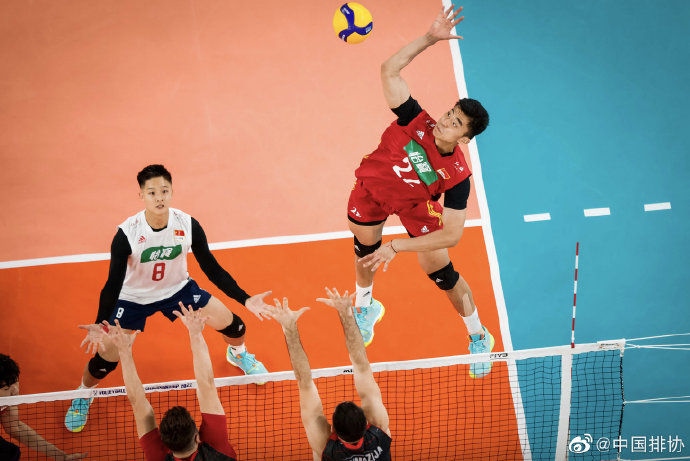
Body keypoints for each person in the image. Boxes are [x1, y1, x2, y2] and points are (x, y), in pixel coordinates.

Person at [65, 164, 272, 433]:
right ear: (141, 195)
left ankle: (238, 354)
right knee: (105, 360)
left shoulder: (187, 224)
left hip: (178, 290)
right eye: (152, 192)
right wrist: (100, 322)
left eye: (164, 191)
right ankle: (84, 393)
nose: (159, 198)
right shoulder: (127, 233)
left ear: (172, 191)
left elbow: (211, 268)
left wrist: (245, 299)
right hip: (133, 298)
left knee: (236, 326)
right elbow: (112, 284)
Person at [346, 5, 494, 378]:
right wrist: (429, 38)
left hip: (416, 207)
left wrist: (397, 246)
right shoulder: (414, 119)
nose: (445, 121)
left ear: (465, 138)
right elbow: (388, 70)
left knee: (442, 273)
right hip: (372, 190)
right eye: (449, 113)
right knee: (365, 252)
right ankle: (366, 306)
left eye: (456, 123)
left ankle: (478, 336)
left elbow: (453, 234)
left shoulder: (458, 176)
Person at [98, 305, 237, 460]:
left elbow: (138, 403)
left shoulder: (158, 456)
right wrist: (196, 333)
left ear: (164, 443)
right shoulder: (217, 450)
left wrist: (124, 352)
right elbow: (207, 385)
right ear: (197, 437)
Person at [271, 288, 391, 460]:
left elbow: (305, 383)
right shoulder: (379, 431)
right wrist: (346, 314)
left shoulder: (325, 447)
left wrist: (290, 328)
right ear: (366, 423)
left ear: (333, 430)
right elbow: (362, 366)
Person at [0, 354, 87, 460]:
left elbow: (16, 428)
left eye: (15, 382)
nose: (15, 390)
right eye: (6, 388)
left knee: (11, 453)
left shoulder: (8, 398)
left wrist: (62, 457)